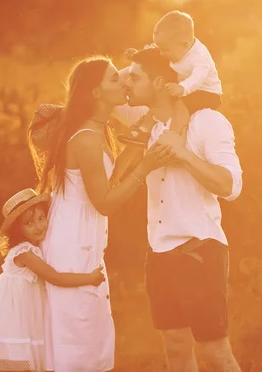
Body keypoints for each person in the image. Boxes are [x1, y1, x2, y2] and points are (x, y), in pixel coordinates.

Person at [28, 56, 170, 372]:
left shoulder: (95, 132)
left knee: (88, 335)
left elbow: (110, 178)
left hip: (82, 243)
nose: (123, 84)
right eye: (114, 80)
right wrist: (146, 167)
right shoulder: (88, 139)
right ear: (95, 92)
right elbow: (104, 202)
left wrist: (139, 143)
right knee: (76, 341)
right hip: (71, 246)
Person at [124, 47, 243, 372]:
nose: (127, 83)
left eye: (135, 77)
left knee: (215, 352)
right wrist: (146, 54)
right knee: (175, 348)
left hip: (200, 253)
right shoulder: (142, 122)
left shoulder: (208, 122)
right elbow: (107, 85)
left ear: (160, 83)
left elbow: (231, 186)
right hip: (159, 255)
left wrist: (185, 156)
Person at [0, 188, 105, 372]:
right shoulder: (25, 253)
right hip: (16, 316)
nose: (39, 226)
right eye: (30, 223)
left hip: (27, 312)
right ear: (18, 230)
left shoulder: (34, 247)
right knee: (19, 361)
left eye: (41, 218)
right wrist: (89, 278)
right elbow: (54, 277)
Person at [119, 10, 222, 147]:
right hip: (187, 87)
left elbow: (198, 78)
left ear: (184, 45)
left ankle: (174, 137)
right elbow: (155, 55)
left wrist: (183, 88)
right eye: (160, 47)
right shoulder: (176, 48)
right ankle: (144, 132)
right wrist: (138, 55)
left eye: (164, 49)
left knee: (180, 106)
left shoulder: (200, 58)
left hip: (206, 92)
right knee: (155, 109)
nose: (161, 53)